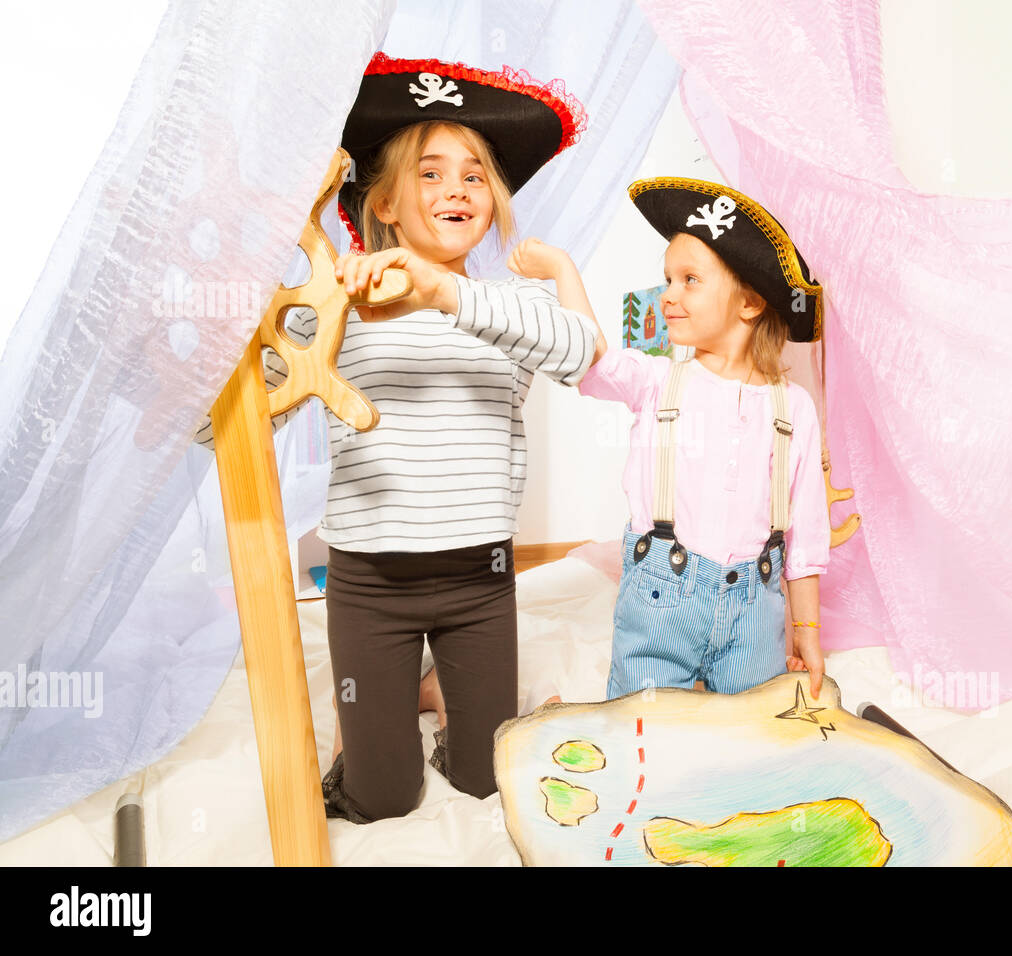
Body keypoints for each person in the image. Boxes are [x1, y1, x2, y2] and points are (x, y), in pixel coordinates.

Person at [195, 53, 596, 822]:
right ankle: (386, 708)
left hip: (478, 580)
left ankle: (446, 705)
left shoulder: (505, 305)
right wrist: (205, 374)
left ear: (496, 201)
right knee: (378, 796)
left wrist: (444, 289)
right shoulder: (336, 302)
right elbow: (244, 418)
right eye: (431, 173)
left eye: (475, 175)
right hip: (370, 583)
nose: (456, 190)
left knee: (488, 780)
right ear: (383, 198)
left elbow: (579, 352)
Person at [576, 177, 831, 701]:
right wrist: (562, 271)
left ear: (751, 302)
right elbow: (590, 356)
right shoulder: (656, 381)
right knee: (642, 742)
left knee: (751, 750)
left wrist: (806, 631)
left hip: (753, 618)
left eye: (690, 279)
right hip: (658, 605)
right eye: (668, 278)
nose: (668, 295)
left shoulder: (793, 408)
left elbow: (804, 537)